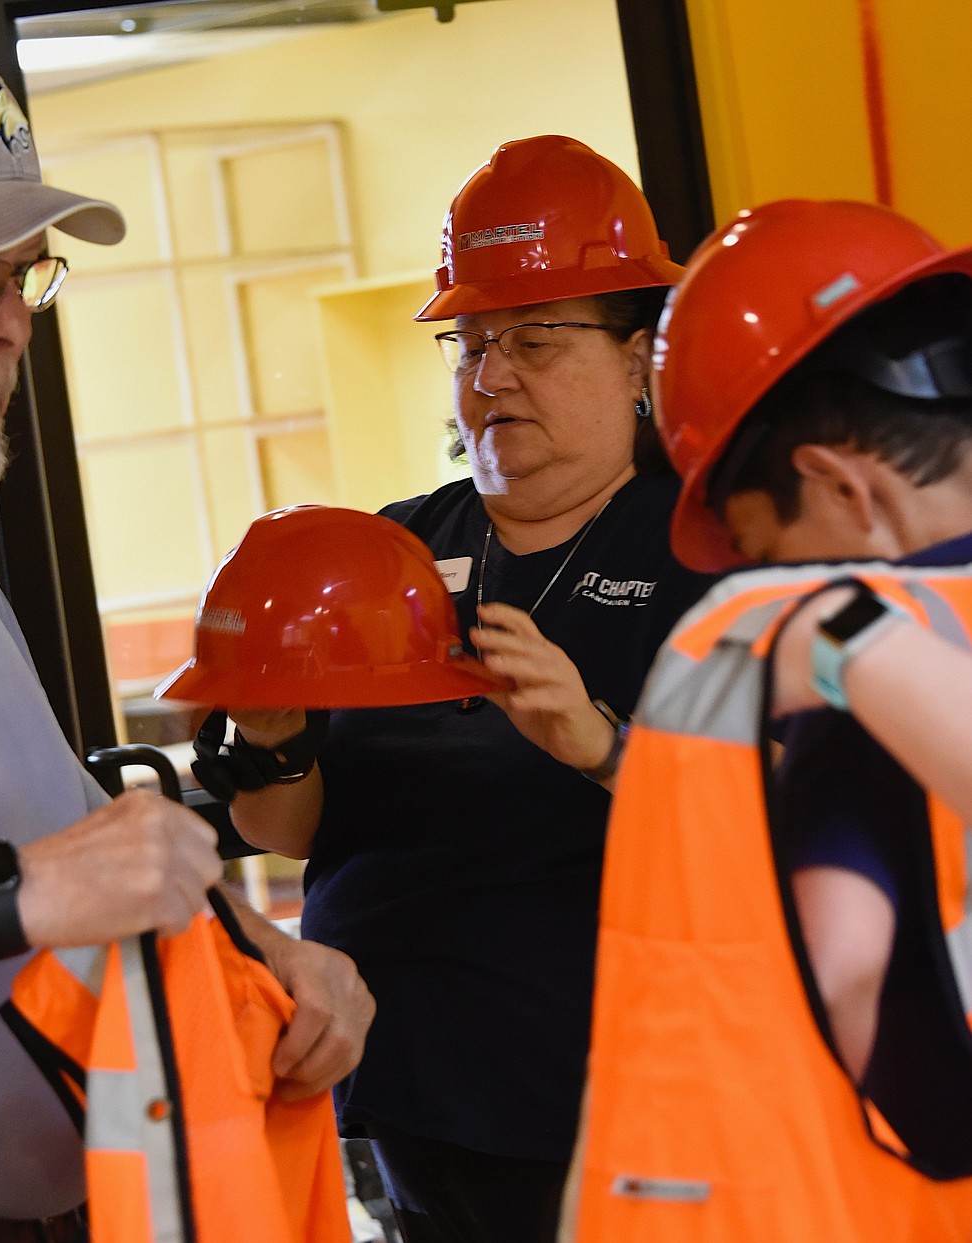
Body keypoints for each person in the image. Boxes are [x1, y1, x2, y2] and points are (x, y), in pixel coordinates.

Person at [0, 31, 372, 1241]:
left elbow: (93, 855)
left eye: (25, 278)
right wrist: (12, 895)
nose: (11, 324)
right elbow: (42, 881)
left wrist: (272, 954)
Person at [220, 135, 716, 1243]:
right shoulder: (390, 549)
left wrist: (599, 743)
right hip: (387, 1098)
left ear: (641, 356)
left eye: (536, 340)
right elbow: (288, 826)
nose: (492, 376)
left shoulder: (707, 546)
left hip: (604, 1107)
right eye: (473, 341)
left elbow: (777, 815)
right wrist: (271, 734)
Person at [562, 198, 972, 1242]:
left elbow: (844, 963)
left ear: (836, 484)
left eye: (759, 545)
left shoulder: (827, 648)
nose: (765, 578)